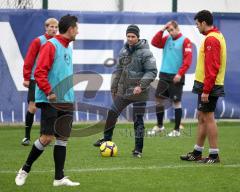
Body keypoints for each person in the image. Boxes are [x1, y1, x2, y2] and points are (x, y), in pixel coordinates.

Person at [15, 14, 80, 186]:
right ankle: (24, 169)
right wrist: (49, 91)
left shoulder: (68, 47)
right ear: (71, 29)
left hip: (66, 99)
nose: (78, 32)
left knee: (63, 138)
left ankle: (59, 178)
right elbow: (39, 72)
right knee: (46, 138)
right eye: (77, 29)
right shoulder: (51, 46)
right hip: (51, 98)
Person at [93, 24, 157, 158]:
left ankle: (138, 150)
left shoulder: (147, 53)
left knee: (138, 119)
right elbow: (118, 70)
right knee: (112, 112)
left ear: (138, 37)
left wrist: (141, 85)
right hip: (125, 91)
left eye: (133, 36)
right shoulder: (123, 51)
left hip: (140, 91)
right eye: (128, 36)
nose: (130, 38)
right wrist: (114, 88)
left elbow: (152, 72)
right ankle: (106, 140)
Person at [180, 10, 226, 163]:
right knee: (202, 117)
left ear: (204, 23)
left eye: (197, 24)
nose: (197, 27)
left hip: (209, 85)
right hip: (206, 84)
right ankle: (197, 152)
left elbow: (213, 66)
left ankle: (214, 155)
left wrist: (206, 90)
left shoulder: (212, 39)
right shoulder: (214, 36)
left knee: (208, 118)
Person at [148, 20, 192, 137]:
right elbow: (154, 42)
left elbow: (188, 60)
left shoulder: (185, 41)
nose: (170, 32)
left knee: (176, 102)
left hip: (176, 76)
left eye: (172, 30)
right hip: (164, 74)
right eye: (169, 30)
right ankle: (160, 126)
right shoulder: (166, 38)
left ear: (178, 29)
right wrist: (162, 30)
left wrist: (180, 73)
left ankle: (177, 130)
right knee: (158, 99)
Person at [22, 18, 58, 146]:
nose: (54, 29)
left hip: (51, 81)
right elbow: (29, 59)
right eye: (51, 27)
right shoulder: (38, 41)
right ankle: (26, 136)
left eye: (56, 27)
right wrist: (26, 77)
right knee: (33, 107)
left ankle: (44, 137)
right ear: (46, 27)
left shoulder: (58, 42)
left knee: (48, 108)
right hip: (35, 79)